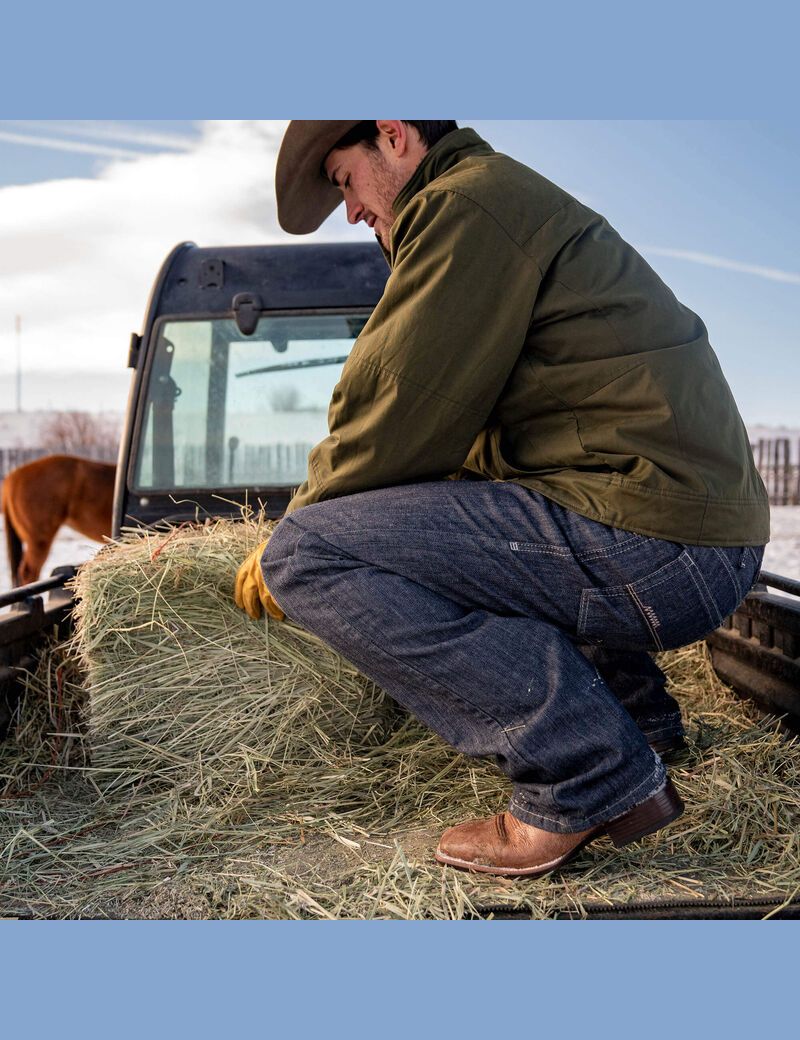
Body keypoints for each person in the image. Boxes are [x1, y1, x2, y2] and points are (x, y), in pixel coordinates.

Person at [234, 120, 769, 878]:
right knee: (474, 514)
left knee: (309, 555)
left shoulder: (464, 206)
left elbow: (393, 405)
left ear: (393, 136)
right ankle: (639, 724)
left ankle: (584, 774)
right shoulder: (494, 200)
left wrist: (294, 529)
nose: (350, 210)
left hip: (657, 541)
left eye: (343, 178)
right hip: (686, 533)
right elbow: (462, 450)